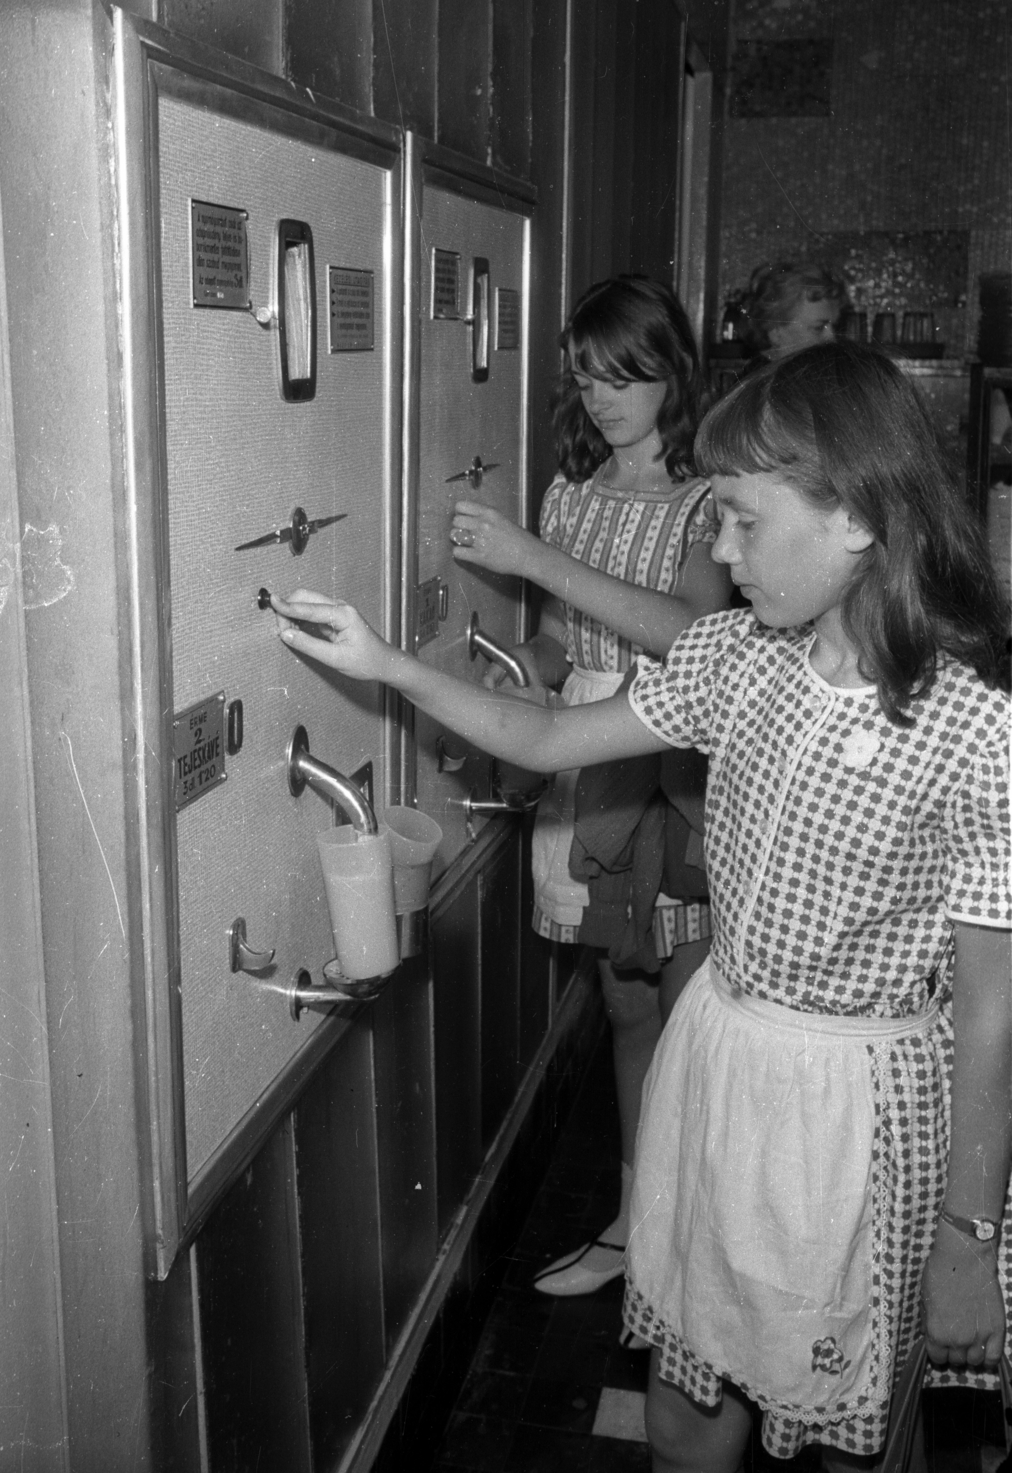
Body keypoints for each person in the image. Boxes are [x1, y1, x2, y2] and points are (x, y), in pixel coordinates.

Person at [270, 340, 1010, 1470]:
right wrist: (392, 668)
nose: (717, 549)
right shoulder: (733, 658)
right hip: (719, 1068)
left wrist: (967, 1236)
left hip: (858, 1111)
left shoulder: (972, 731)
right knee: (684, 1410)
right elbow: (554, 734)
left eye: (743, 521)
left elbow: (991, 1010)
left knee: (850, 1434)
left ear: (856, 519)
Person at [446, 274, 732, 1301]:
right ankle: (632, 1222)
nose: (604, 396)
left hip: (680, 775)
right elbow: (565, 640)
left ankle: (696, 1237)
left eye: (628, 374)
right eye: (587, 376)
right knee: (621, 1002)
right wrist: (516, 667)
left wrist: (534, 558)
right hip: (589, 759)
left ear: (673, 372)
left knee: (693, 1004)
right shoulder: (569, 493)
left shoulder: (713, 497)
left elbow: (691, 637)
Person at [741, 260, 846, 362]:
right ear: (776, 331)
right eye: (818, 328)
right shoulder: (762, 378)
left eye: (836, 327)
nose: (832, 339)